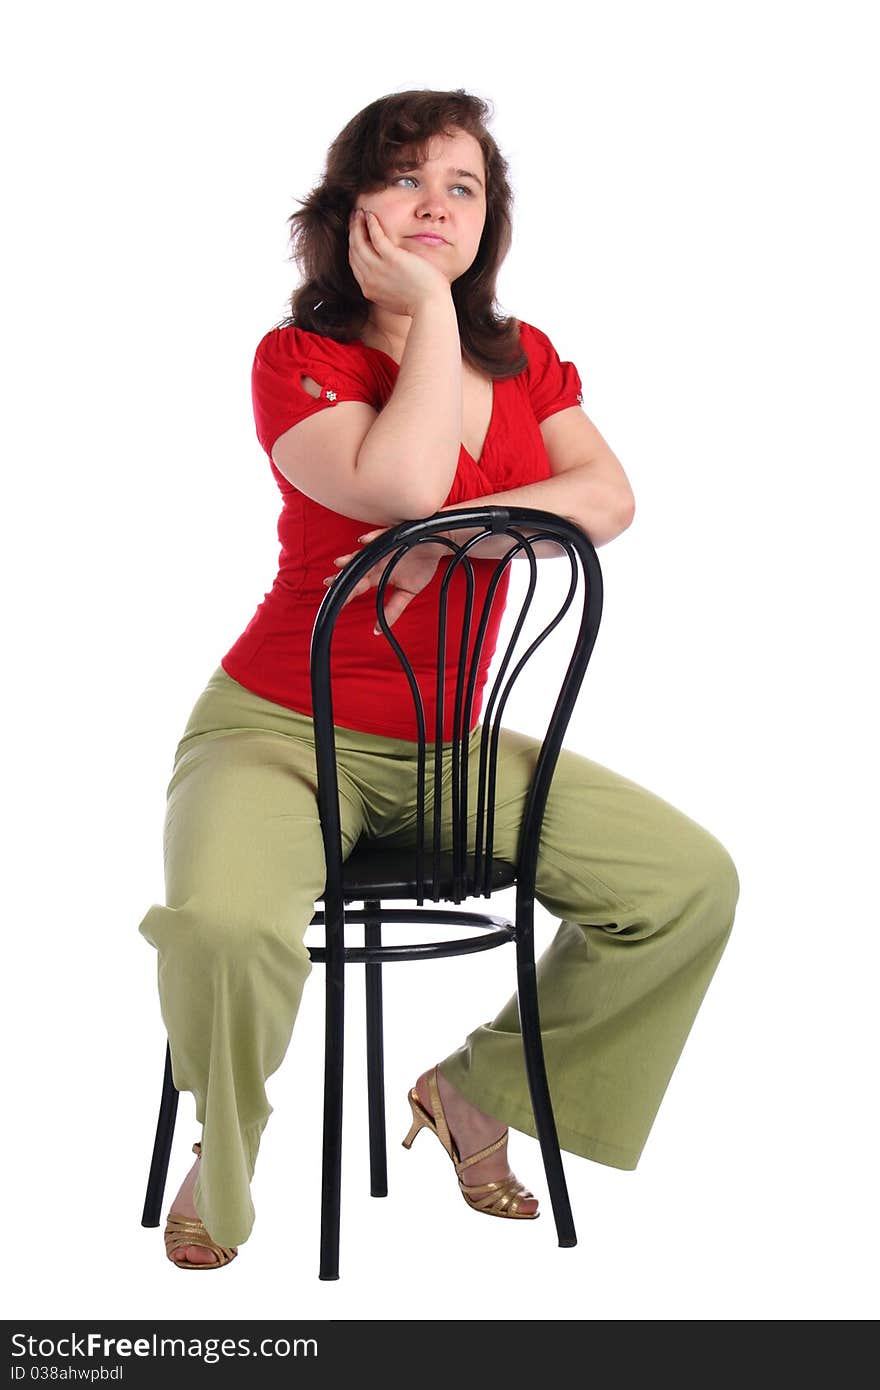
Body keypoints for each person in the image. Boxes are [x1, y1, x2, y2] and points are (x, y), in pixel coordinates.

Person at [138, 88, 740, 1269]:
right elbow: (404, 486)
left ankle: (477, 1091)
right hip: (280, 731)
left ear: (488, 220)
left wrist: (456, 533)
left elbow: (607, 501)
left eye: (461, 187)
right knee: (221, 923)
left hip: (451, 750)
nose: (435, 204)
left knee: (686, 886)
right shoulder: (300, 359)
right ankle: (229, 1139)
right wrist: (420, 317)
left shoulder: (528, 363)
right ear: (351, 206)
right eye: (405, 178)